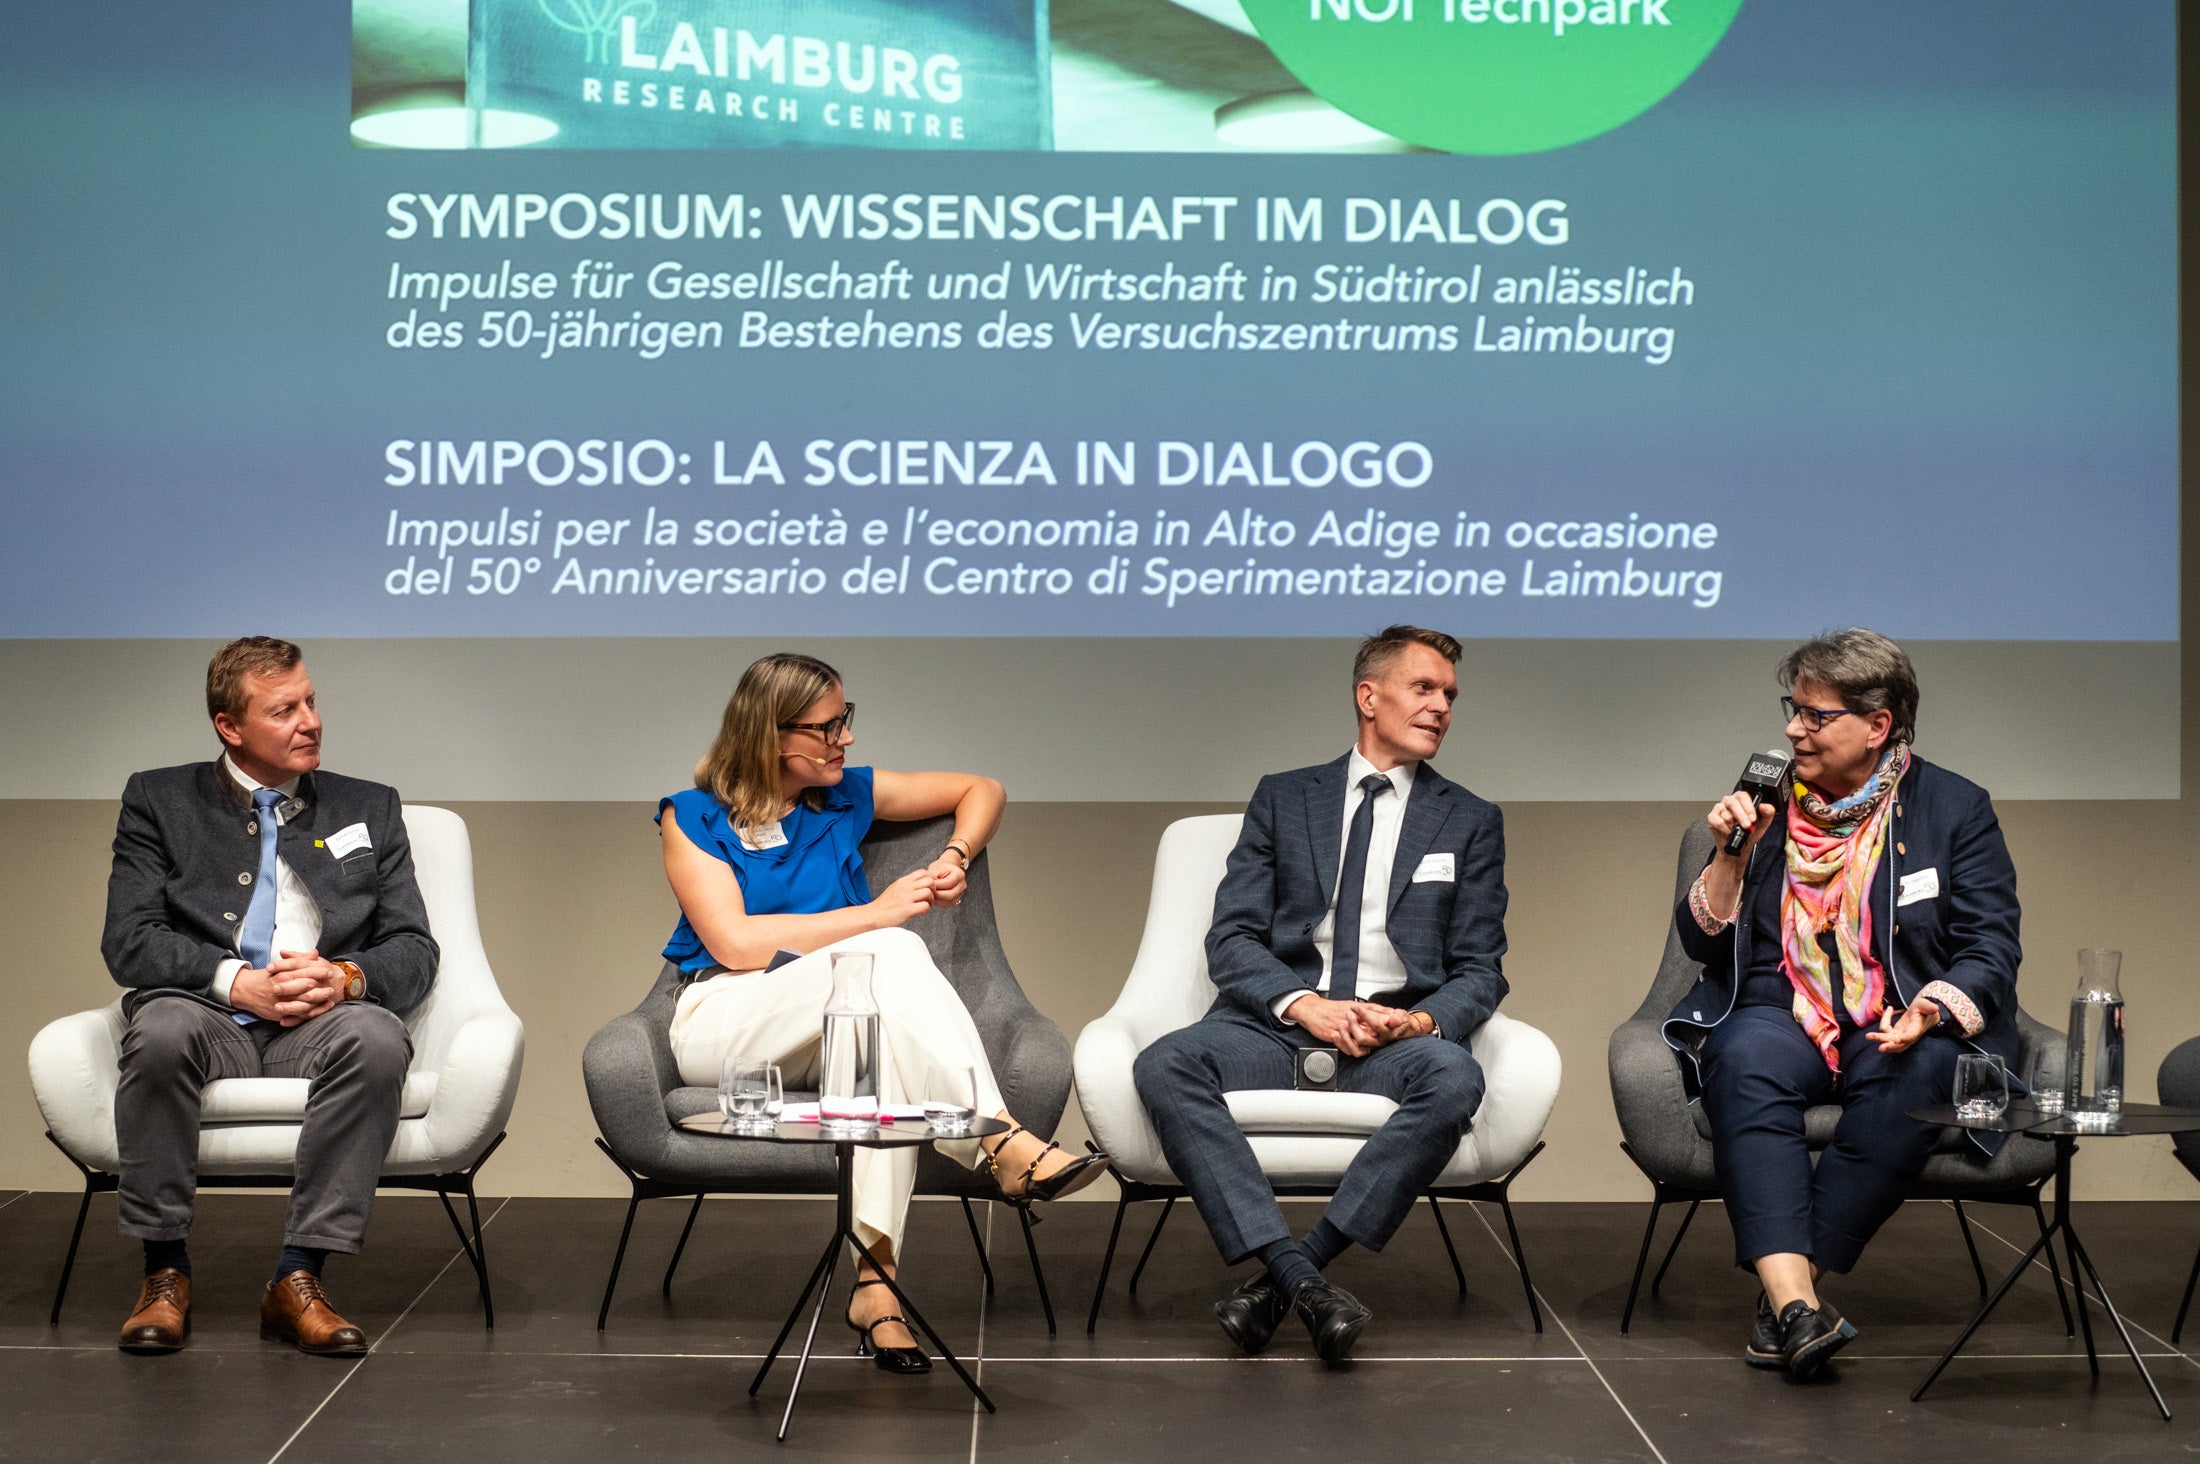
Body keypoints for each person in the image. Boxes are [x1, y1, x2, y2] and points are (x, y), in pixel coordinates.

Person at [657, 652, 1107, 1374]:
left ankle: (877, 1288)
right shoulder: (693, 815)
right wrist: (876, 914)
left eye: (846, 719)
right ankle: (1002, 1140)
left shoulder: (843, 796)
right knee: (889, 951)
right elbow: (735, 943)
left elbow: (982, 788)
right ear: (771, 733)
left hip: (831, 1014)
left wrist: (957, 854)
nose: (846, 738)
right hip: (728, 1017)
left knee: (877, 1044)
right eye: (826, 727)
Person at [1133, 625, 1509, 1367]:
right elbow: (1232, 939)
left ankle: (1292, 1274)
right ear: (1369, 696)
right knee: (1164, 1064)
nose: (1441, 707)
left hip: (1389, 1039)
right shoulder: (1284, 798)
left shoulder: (1469, 819)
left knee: (1455, 1078)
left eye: (1450, 695)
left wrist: (1419, 1021)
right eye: (1424, 688)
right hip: (1276, 1029)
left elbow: (1481, 968)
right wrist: (1305, 1006)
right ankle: (1302, 1279)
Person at [1667, 628, 2022, 1377]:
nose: (1795, 730)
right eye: (1792, 710)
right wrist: (1733, 851)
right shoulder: (1765, 806)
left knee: (1921, 1074)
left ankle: (1787, 1302)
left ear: (1878, 725)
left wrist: (1931, 1009)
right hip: (1781, 1006)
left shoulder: (1954, 809)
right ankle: (1799, 1305)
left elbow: (1991, 946)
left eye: (1816, 716)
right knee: (1741, 1057)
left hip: (1896, 1015)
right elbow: (1701, 944)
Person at [102, 637, 436, 1356]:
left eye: (310, 701)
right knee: (159, 1032)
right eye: (284, 710)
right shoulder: (159, 800)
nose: (311, 721)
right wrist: (234, 980)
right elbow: (128, 941)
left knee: (378, 1040)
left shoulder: (369, 806)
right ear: (230, 726)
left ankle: (298, 1275)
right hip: (205, 1010)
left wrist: (345, 977)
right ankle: (164, 1271)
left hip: (319, 1021)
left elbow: (415, 947)